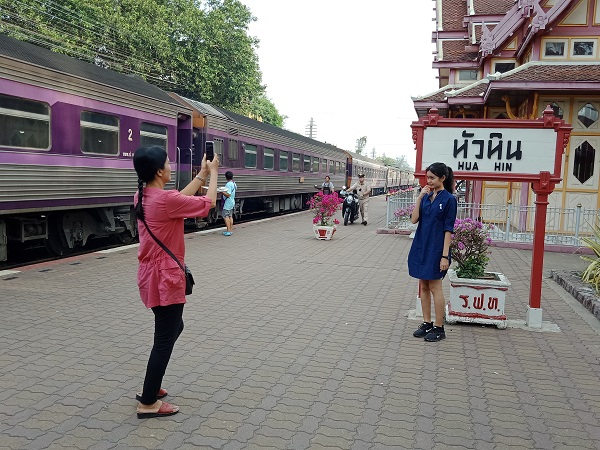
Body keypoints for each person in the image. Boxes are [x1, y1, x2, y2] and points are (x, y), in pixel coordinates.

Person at [133, 145, 219, 418]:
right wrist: (214, 173)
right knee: (164, 338)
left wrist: (202, 174)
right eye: (169, 163)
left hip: (151, 275)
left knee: (172, 329)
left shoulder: (143, 195)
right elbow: (209, 204)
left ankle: (152, 386)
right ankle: (148, 402)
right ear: (160, 171)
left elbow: (177, 199)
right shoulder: (164, 200)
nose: (172, 166)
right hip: (165, 277)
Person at [408, 162, 457, 342]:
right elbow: (414, 220)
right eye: (427, 177)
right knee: (424, 285)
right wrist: (420, 198)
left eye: (432, 178)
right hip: (421, 245)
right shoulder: (427, 197)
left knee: (436, 286)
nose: (428, 181)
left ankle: (439, 326)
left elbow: (448, 229)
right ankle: (427, 322)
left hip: (437, 248)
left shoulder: (449, 200)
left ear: (442, 178)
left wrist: (445, 255)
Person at [222, 170, 236, 236]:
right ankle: (230, 230)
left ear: (226, 177)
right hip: (232, 201)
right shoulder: (234, 183)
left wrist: (221, 191)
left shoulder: (228, 184)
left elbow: (228, 194)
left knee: (225, 216)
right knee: (230, 216)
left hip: (228, 202)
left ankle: (228, 231)